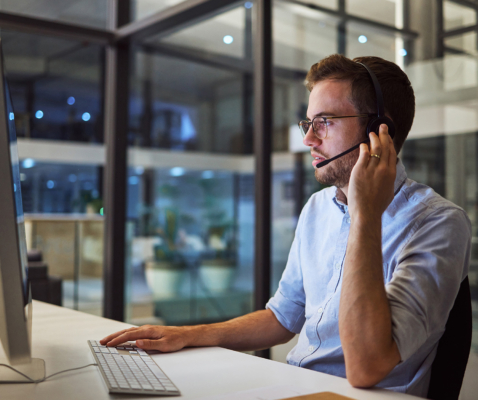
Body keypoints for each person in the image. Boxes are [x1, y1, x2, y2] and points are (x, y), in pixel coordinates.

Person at [101, 55, 471, 397]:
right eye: (308, 123)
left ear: (379, 130)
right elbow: (284, 315)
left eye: (324, 122)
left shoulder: (439, 223)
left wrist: (366, 214)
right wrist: (190, 335)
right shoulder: (317, 208)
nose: (308, 139)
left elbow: (367, 366)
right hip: (299, 384)